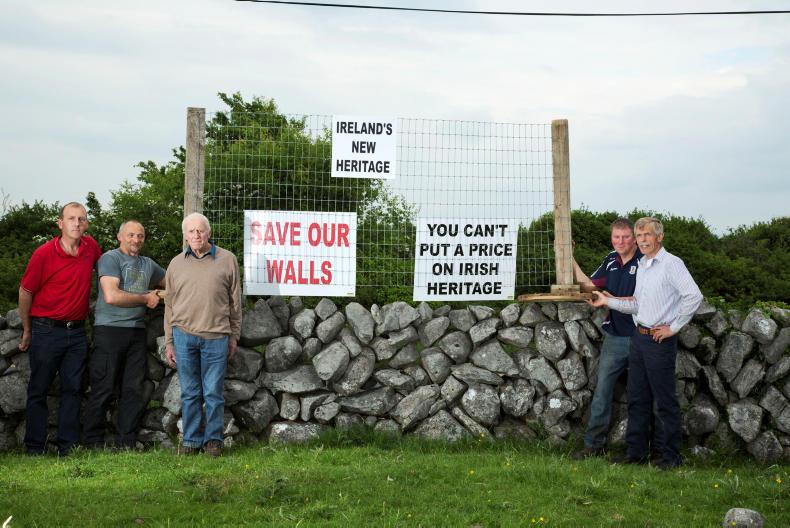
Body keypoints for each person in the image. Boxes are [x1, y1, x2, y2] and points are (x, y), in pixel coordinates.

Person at [589, 217, 702, 470]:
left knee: (664, 400)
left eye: (647, 235)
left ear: (659, 237)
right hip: (639, 337)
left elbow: (694, 296)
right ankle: (636, 453)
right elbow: (637, 304)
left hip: (658, 340)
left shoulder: (672, 264)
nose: (642, 240)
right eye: (639, 236)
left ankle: (670, 457)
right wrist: (607, 302)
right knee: (637, 398)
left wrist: (673, 327)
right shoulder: (643, 264)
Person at [18, 202, 102, 456]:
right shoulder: (44, 253)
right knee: (39, 389)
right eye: (71, 218)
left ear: (86, 223)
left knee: (73, 389)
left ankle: (68, 446)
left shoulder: (91, 247)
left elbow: (107, 274)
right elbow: (25, 292)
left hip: (76, 332)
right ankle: (35, 447)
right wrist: (27, 329)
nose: (77, 223)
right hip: (46, 330)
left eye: (81, 219)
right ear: (60, 223)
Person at [82, 220, 165, 449]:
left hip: (136, 331)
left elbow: (176, 282)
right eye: (131, 235)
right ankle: (92, 442)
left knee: (133, 389)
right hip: (109, 330)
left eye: (140, 236)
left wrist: (160, 292)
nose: (136, 240)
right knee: (103, 387)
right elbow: (112, 296)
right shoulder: (110, 259)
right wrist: (146, 297)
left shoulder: (148, 264)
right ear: (120, 237)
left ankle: (126, 442)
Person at [164, 212, 241, 457]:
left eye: (200, 230)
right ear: (185, 235)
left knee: (213, 393)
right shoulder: (176, 264)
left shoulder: (227, 259)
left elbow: (235, 302)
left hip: (217, 336)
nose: (196, 235)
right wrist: (169, 341)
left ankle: (213, 441)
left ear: (209, 233)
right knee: (190, 393)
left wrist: (234, 335)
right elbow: (169, 305)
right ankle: (191, 440)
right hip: (184, 336)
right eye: (191, 231)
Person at [571, 218, 642, 460]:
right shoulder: (611, 259)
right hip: (615, 337)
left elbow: (644, 300)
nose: (620, 242)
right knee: (602, 391)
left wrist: (610, 299)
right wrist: (569, 257)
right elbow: (590, 286)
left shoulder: (645, 261)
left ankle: (641, 450)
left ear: (634, 238)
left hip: (642, 336)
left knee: (642, 395)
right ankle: (593, 445)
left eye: (626, 237)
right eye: (616, 237)